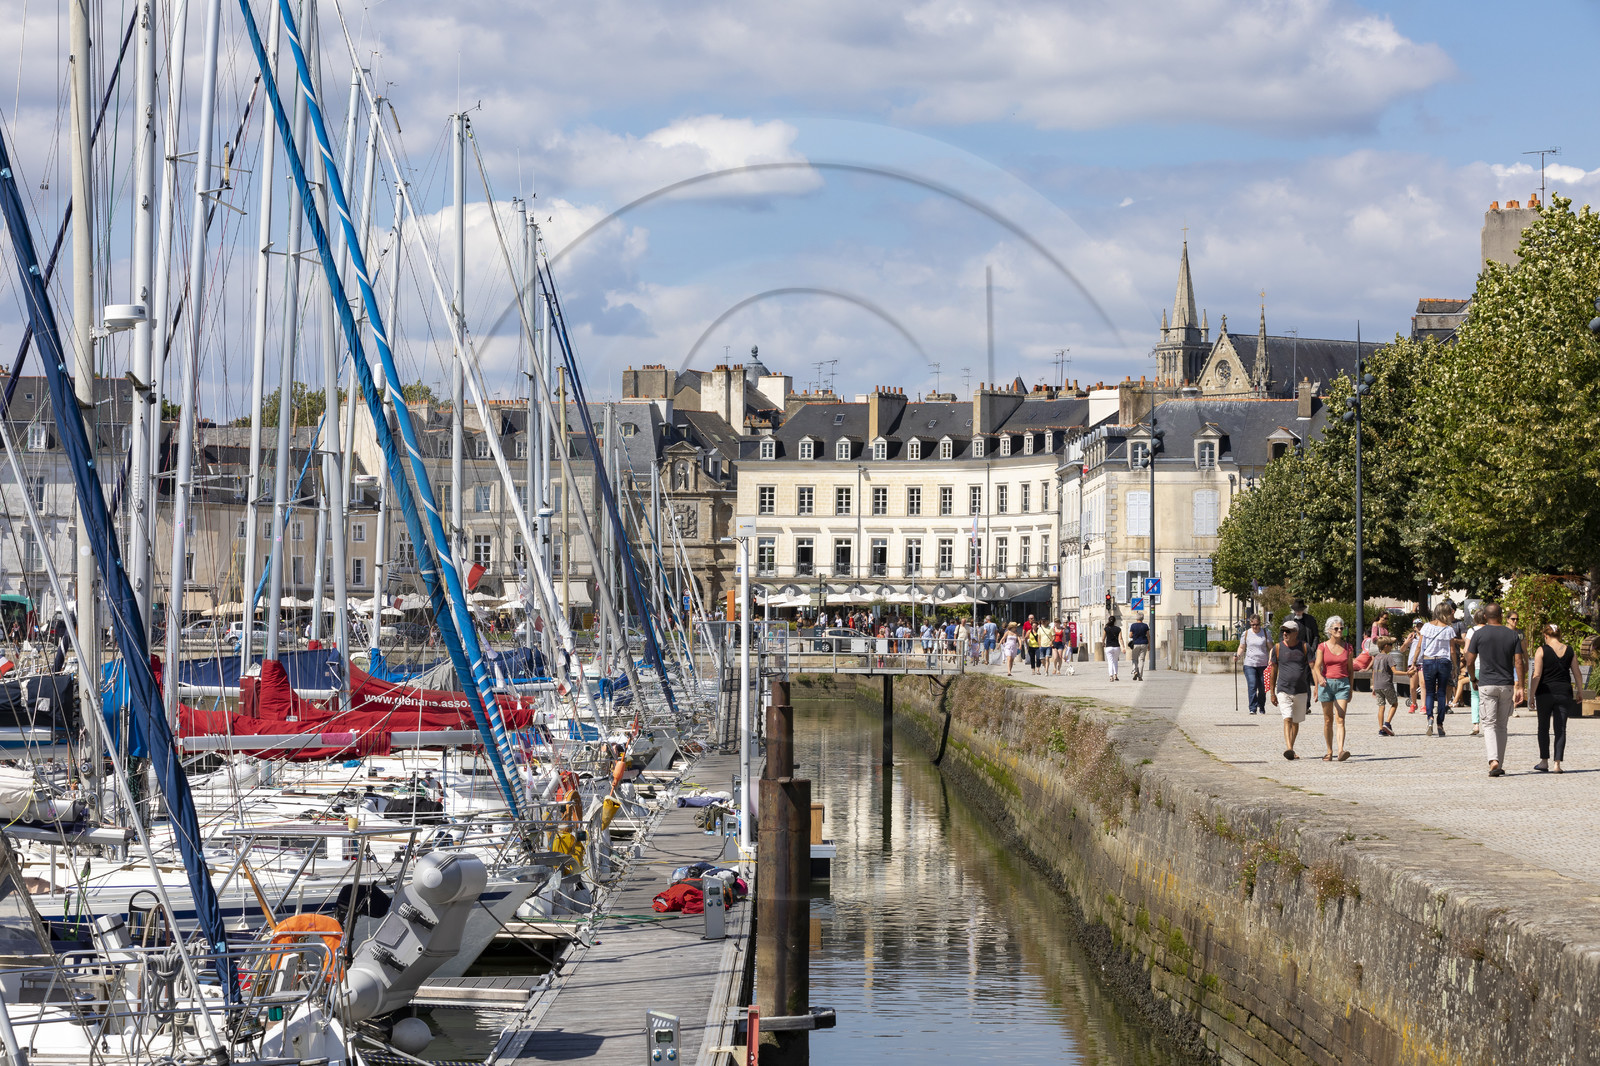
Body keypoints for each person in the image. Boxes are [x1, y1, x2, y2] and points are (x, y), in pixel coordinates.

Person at [1463, 603, 1526, 777]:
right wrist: (1520, 685)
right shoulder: (1512, 635)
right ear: (1501, 615)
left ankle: (1493, 761)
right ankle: (1500, 761)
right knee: (1502, 725)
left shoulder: (1478, 634)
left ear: (1485, 616)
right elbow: (1519, 661)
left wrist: (1473, 678)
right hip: (1506, 684)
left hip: (1487, 683)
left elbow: (1469, 660)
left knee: (1488, 724)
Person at [1529, 623, 1576, 773]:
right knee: (1560, 728)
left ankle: (1544, 762)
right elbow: (1577, 673)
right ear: (1559, 635)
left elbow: (1536, 675)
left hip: (1544, 693)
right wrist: (1580, 691)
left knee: (1543, 727)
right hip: (1564, 692)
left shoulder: (1541, 650)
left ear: (1546, 635)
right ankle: (1557, 764)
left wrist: (1531, 695)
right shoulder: (1569, 650)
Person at [1311, 615, 1353, 761]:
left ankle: (1341, 751)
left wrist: (1351, 688)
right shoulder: (1322, 646)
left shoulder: (1348, 647)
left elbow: (1350, 670)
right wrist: (1320, 678)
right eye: (1336, 628)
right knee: (1328, 720)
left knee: (1340, 718)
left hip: (1342, 684)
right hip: (1326, 684)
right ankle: (1329, 751)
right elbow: (1316, 667)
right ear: (1329, 630)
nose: (1340, 630)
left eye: (1341, 628)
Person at [1412, 604, 1458, 736]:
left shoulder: (1426, 626)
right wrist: (1455, 666)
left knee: (1430, 692)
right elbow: (1452, 650)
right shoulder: (1449, 629)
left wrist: (1414, 661)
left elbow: (1419, 646)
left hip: (1429, 660)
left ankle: (1430, 718)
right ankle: (1440, 723)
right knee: (1442, 693)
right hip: (1444, 661)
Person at [1267, 620, 1310, 759]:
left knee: (1296, 722)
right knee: (1287, 718)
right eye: (1283, 631)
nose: (1284, 633)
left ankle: (1291, 748)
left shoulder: (1304, 647)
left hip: (1301, 690)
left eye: (1288, 631)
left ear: (1295, 633)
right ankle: (1289, 748)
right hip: (1283, 689)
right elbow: (1273, 671)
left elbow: (1313, 665)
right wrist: (1272, 693)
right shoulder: (1277, 648)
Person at [1454, 608, 1486, 736]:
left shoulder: (1471, 631)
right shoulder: (1491, 630)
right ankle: (1489, 723)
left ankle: (1476, 724)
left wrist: (1468, 663)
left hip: (1476, 666)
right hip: (1489, 667)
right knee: (1488, 697)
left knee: (1475, 696)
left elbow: (1466, 650)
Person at [1234, 614, 1270, 715]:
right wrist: (1238, 655)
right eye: (1253, 625)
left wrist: (1272, 658)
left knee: (1263, 687)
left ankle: (1261, 706)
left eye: (1257, 624)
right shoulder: (1246, 634)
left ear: (1260, 623)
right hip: (1249, 664)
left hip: (1263, 664)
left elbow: (1270, 647)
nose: (1255, 627)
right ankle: (1252, 708)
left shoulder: (1266, 633)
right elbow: (1242, 647)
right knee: (1252, 685)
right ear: (1250, 624)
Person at [1372, 636, 1399, 735]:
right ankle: (1387, 723)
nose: (1392, 647)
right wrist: (1407, 673)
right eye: (1391, 645)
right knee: (1394, 704)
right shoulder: (1388, 657)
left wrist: (1373, 686)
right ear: (1386, 646)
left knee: (1381, 707)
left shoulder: (1376, 657)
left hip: (1377, 685)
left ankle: (1381, 729)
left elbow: (1374, 672)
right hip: (1387, 684)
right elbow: (1395, 672)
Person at [1128, 612, 1151, 681]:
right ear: (1142, 618)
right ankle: (1140, 676)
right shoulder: (1145, 626)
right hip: (1144, 643)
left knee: (1134, 659)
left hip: (1136, 644)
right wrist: (1149, 645)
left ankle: (1135, 671)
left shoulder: (1133, 625)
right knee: (1141, 660)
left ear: (1136, 618)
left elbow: (1130, 635)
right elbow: (1148, 636)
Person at [1104, 615, 1123, 681]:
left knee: (1110, 662)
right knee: (1115, 661)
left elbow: (1103, 638)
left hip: (1108, 647)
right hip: (1116, 647)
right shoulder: (1118, 629)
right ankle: (1116, 676)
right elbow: (1120, 639)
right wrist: (1123, 647)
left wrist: (1103, 643)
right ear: (1115, 621)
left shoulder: (1106, 629)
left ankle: (1111, 676)